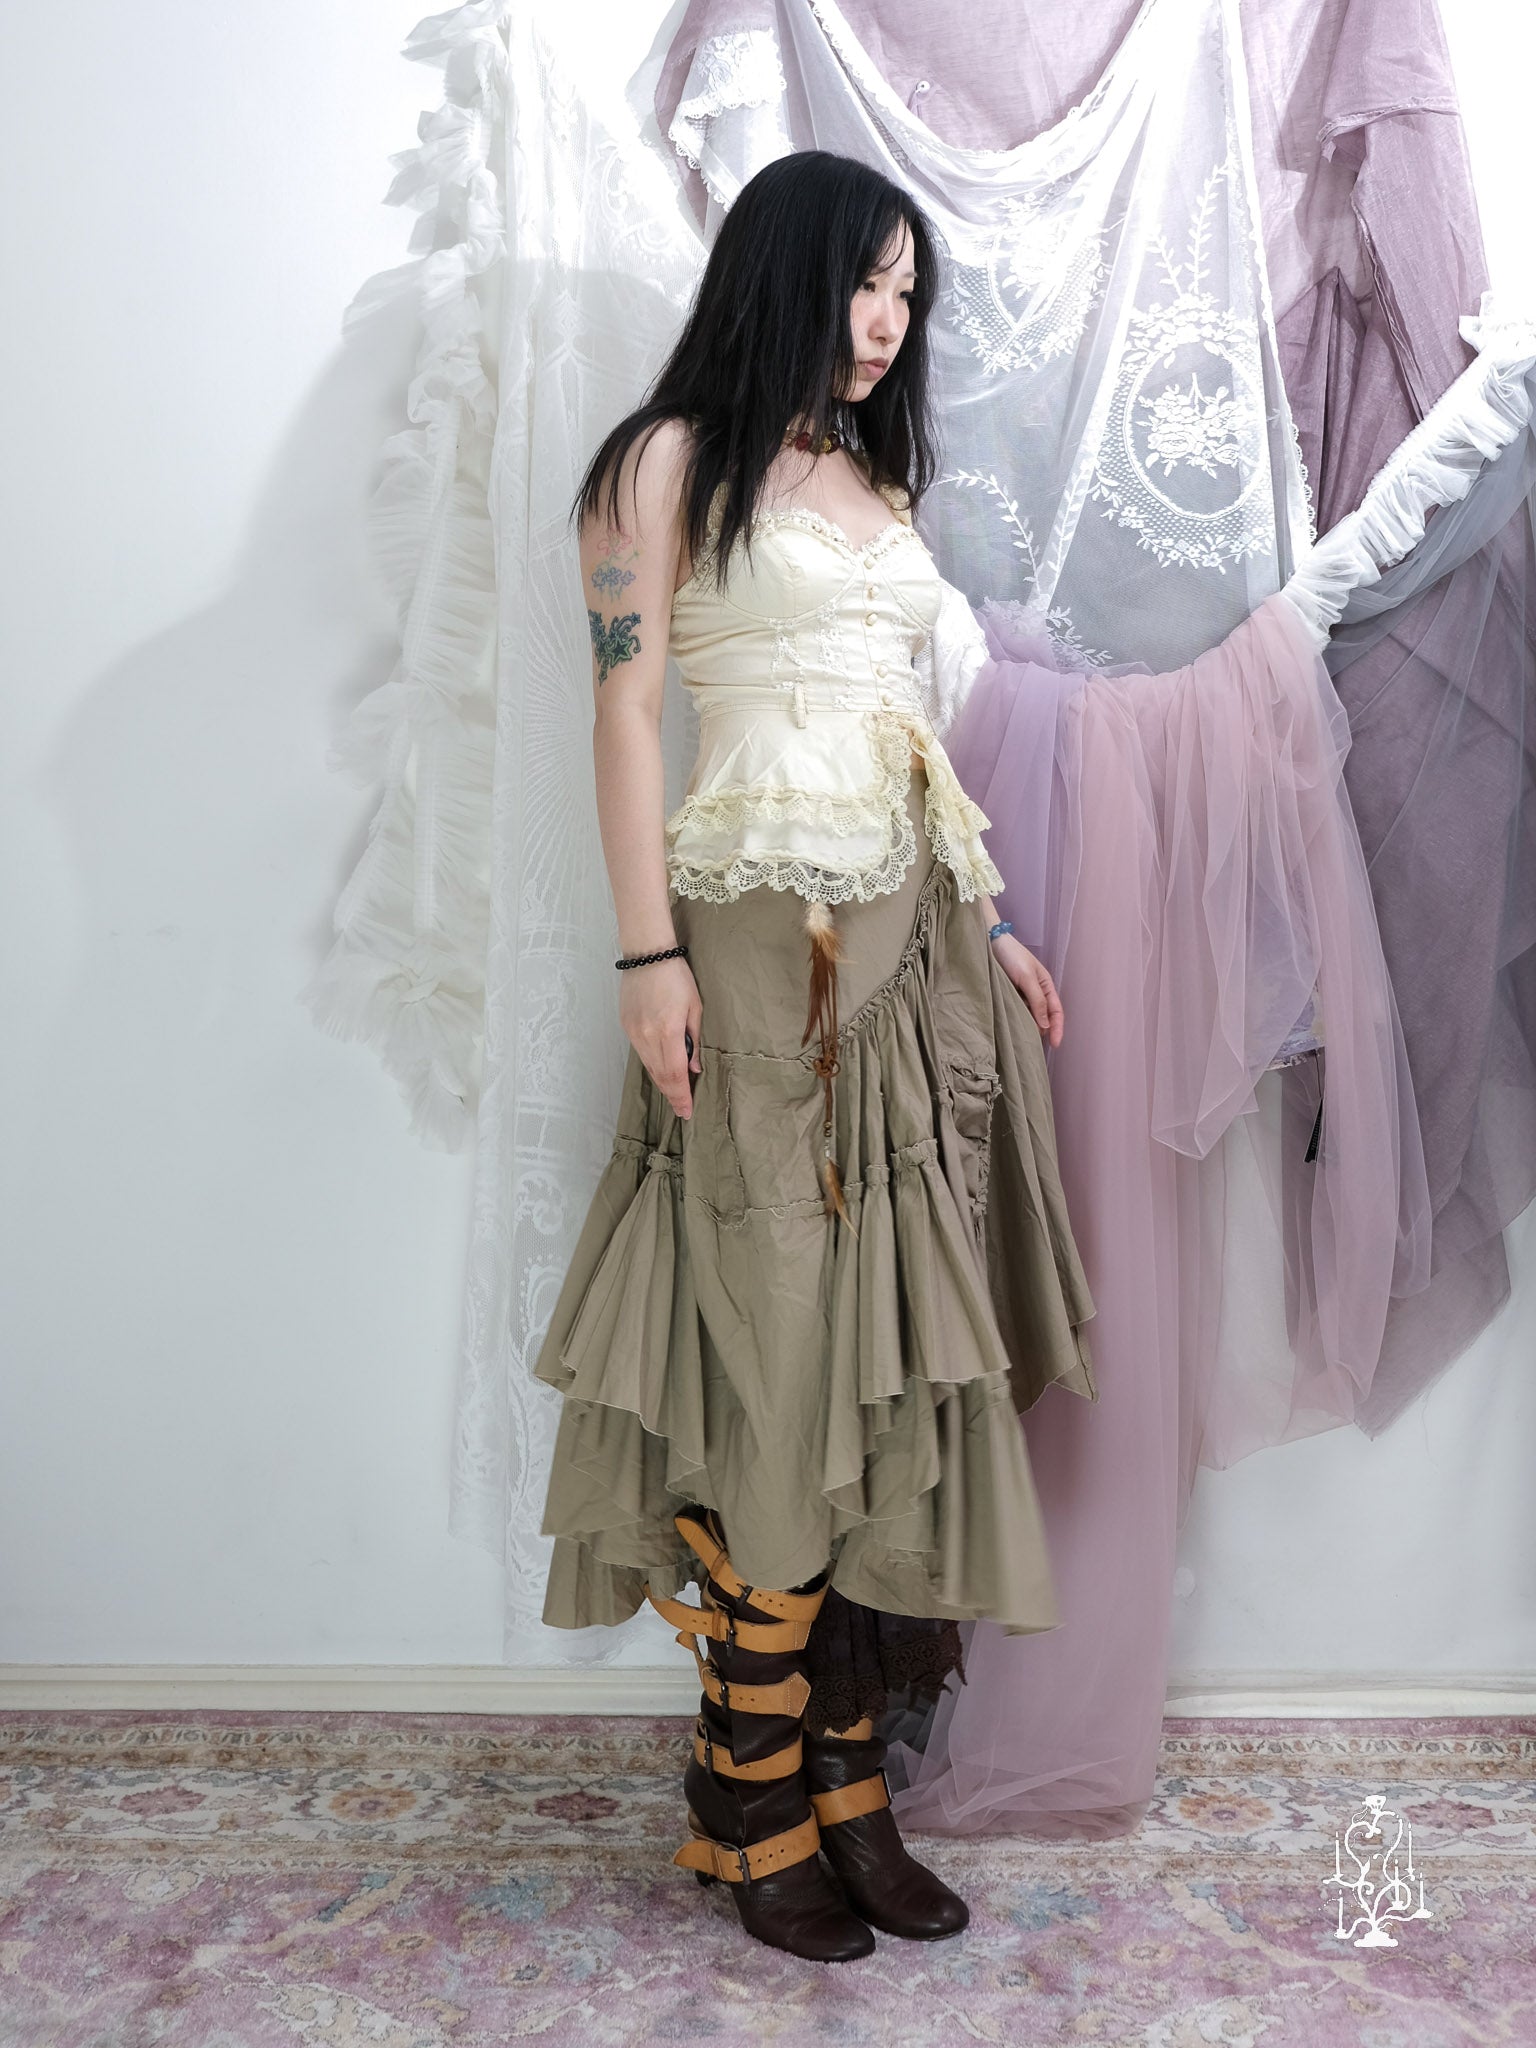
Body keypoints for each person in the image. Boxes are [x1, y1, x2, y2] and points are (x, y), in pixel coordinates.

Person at [531, 149, 1098, 1963]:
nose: (887, 321)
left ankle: (847, 1783)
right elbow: (628, 714)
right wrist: (647, 954)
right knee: (780, 1353)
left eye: (909, 293)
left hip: (913, 950)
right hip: (755, 954)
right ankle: (744, 1792)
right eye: (867, 280)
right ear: (784, 269)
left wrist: (985, 924)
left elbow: (903, 724)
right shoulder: (659, 463)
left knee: (889, 1362)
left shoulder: (874, 475)